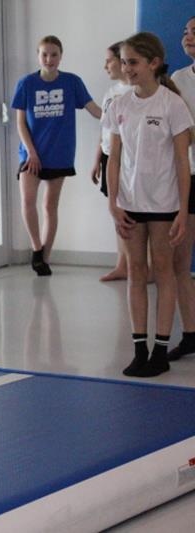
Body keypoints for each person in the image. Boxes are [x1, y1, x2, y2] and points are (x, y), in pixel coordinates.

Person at [104, 32, 193, 377]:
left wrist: (183, 209)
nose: (127, 69)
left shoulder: (172, 105)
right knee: (136, 272)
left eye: (133, 63)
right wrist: (113, 203)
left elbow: (183, 162)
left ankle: (160, 350)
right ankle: (139, 348)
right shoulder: (119, 105)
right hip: (130, 202)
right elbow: (114, 158)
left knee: (164, 271)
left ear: (153, 63)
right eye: (124, 62)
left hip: (164, 204)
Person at [11, 35, 102, 276]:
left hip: (59, 153)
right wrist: (31, 152)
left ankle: (45, 257)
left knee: (50, 206)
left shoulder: (72, 82)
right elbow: (20, 122)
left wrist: (119, 116)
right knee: (28, 201)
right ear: (38, 56)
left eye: (54, 55)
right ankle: (36, 248)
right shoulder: (26, 83)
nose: (49, 59)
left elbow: (94, 109)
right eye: (45, 54)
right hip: (31, 154)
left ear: (61, 57)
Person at [91, 42, 132, 282]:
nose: (105, 66)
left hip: (128, 160)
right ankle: (122, 264)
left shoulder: (135, 92)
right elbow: (105, 129)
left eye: (109, 60)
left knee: (131, 213)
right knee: (116, 211)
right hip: (110, 156)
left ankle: (140, 264)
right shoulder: (111, 92)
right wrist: (98, 158)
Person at [168, 16, 195, 362]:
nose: (188, 37)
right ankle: (190, 333)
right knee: (180, 260)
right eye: (186, 32)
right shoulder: (178, 79)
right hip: (188, 175)